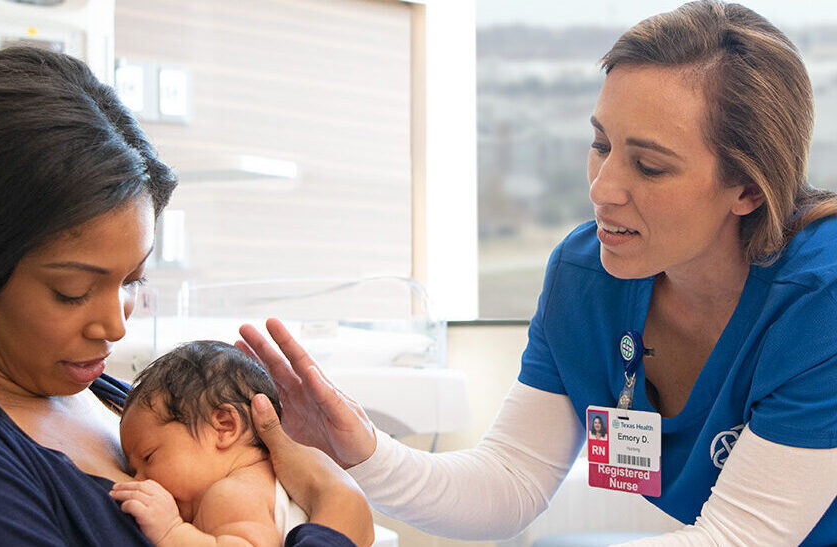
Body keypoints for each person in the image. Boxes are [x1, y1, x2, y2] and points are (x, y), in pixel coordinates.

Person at [238, 2, 837, 545]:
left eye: (650, 167)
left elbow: (739, 538)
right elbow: (509, 482)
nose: (602, 189)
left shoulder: (820, 297)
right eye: (600, 145)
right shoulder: (586, 278)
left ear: (748, 189)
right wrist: (362, 453)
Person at [0, 47, 372, 547]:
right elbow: (336, 517)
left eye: (133, 280)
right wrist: (338, 515)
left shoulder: (112, 398)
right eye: (72, 292)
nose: (115, 326)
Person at [111, 340, 308, 546]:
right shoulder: (270, 480)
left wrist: (171, 531)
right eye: (132, 472)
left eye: (148, 457)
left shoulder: (229, 494)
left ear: (224, 426)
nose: (138, 480)